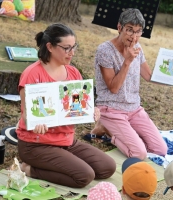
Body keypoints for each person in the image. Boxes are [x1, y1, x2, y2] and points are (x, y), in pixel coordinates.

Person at [16, 23, 116, 188]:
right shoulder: (32, 74)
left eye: (74, 47)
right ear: (50, 47)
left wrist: (91, 111)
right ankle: (30, 169)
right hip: (36, 144)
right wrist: (35, 123)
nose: (72, 52)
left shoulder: (73, 73)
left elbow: (79, 106)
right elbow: (27, 116)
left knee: (108, 167)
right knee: (85, 176)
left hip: (66, 141)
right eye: (67, 48)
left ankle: (62, 163)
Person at [90, 8, 173, 160]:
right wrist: (127, 61)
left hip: (134, 109)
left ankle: (115, 130)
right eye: (129, 30)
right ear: (119, 28)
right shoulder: (105, 50)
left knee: (160, 149)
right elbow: (113, 87)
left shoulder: (138, 48)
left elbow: (149, 76)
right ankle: (109, 131)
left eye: (138, 32)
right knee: (139, 153)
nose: (134, 37)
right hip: (111, 109)